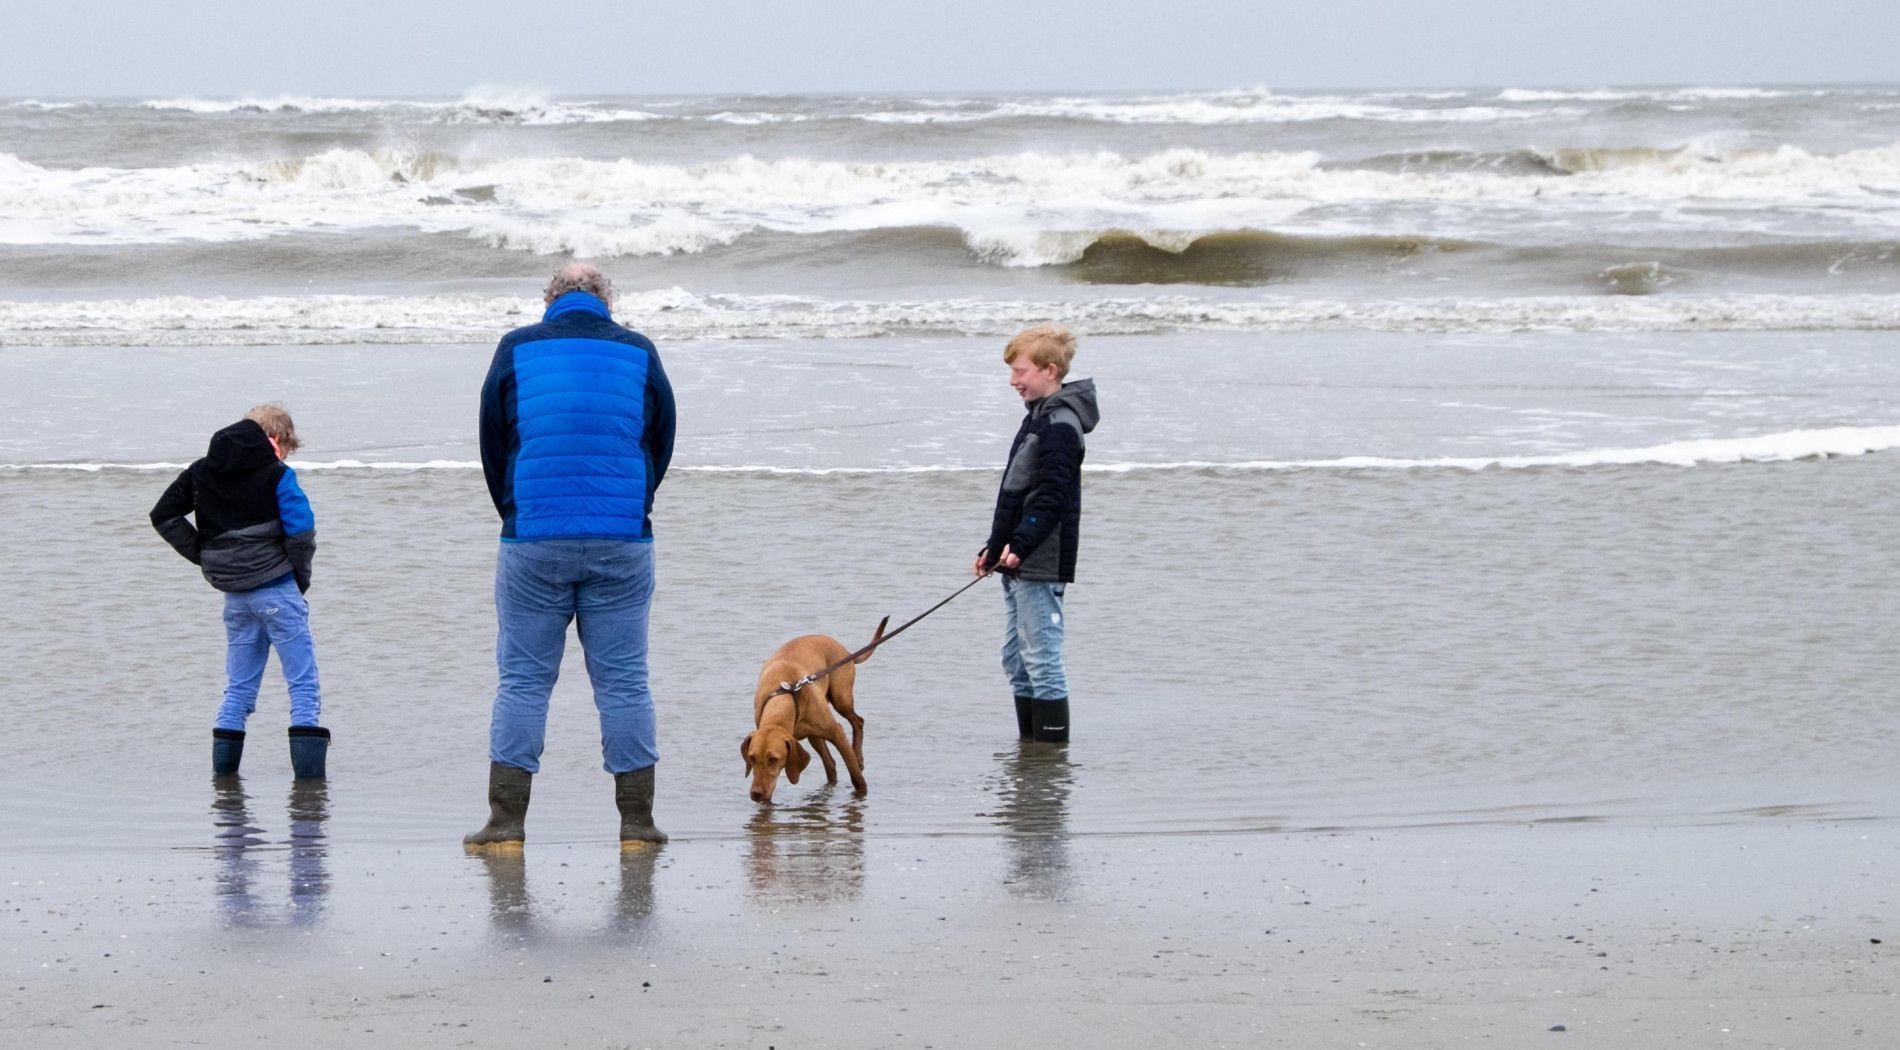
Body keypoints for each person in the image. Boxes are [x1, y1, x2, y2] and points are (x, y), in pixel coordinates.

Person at [465, 263, 677, 852]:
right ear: (606, 300)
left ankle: (505, 825)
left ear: (548, 300)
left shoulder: (516, 348)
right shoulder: (639, 350)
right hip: (622, 540)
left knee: (523, 683)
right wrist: (632, 503)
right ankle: (638, 827)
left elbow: (493, 441)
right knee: (626, 683)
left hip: (533, 536)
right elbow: (660, 440)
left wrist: (514, 509)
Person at [150, 403, 329, 779]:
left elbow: (163, 515)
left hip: (234, 596)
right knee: (304, 687)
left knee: (238, 690)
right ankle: (310, 790)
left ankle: (224, 782)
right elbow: (302, 531)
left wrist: (204, 555)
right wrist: (300, 579)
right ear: (275, 439)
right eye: (285, 447)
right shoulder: (276, 474)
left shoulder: (202, 471)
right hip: (277, 590)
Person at [973, 324, 1100, 743]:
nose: (1013, 381)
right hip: (1018, 559)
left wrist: (1021, 546)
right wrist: (994, 548)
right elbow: (1017, 493)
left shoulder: (1061, 425)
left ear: (1049, 370)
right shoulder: (1037, 418)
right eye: (1011, 372)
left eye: (1020, 372)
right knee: (1016, 659)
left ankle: (1048, 762)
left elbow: (1052, 499)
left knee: (1041, 660)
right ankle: (1031, 747)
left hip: (1040, 561)